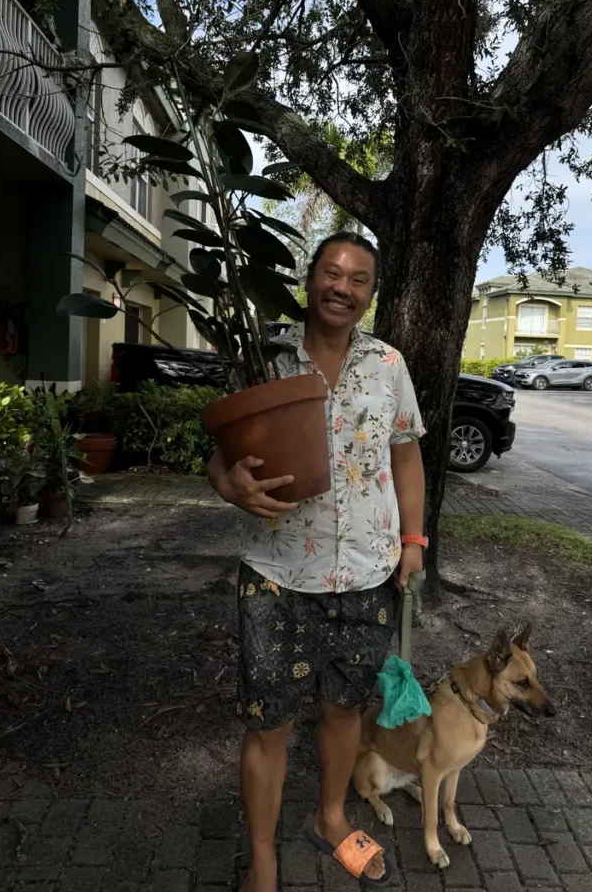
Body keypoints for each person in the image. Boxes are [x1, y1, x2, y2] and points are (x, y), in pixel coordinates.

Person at [207, 232, 426, 891]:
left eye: (359, 279)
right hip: (277, 572)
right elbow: (220, 455)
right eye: (332, 273)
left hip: (367, 570)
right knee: (268, 723)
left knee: (343, 709)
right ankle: (263, 858)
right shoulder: (266, 357)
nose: (342, 288)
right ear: (309, 280)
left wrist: (414, 541)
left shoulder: (389, 364)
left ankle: (330, 818)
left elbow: (406, 454)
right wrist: (227, 485)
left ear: (371, 294)